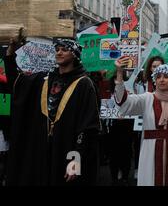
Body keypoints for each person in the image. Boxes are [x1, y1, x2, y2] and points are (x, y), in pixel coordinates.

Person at [5, 37, 100, 186]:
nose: (59, 53)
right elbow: (16, 84)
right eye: (57, 50)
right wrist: (11, 52)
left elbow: (87, 128)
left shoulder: (84, 85)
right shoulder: (43, 80)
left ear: (74, 54)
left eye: (64, 49)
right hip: (41, 151)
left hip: (67, 151)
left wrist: (75, 159)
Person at [113, 56, 168, 186]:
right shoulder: (147, 99)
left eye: (166, 76)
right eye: (158, 77)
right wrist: (119, 73)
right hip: (150, 153)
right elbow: (124, 104)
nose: (161, 80)